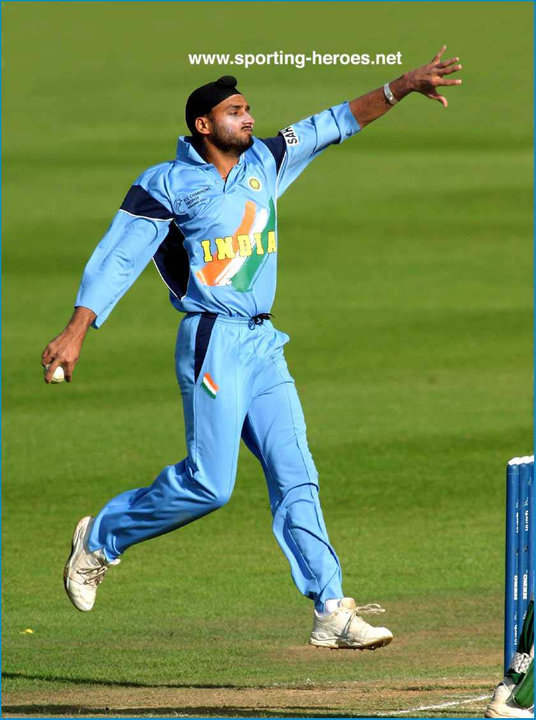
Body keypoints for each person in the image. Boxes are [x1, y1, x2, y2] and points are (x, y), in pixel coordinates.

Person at [42, 47, 462, 650]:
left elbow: (336, 121)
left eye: (248, 108)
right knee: (210, 486)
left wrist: (404, 85)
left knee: (297, 474)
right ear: (203, 126)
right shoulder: (167, 183)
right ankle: (102, 536)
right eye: (235, 110)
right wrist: (78, 328)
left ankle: (330, 608)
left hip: (264, 343)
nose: (248, 116)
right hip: (212, 338)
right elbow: (120, 255)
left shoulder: (267, 158)